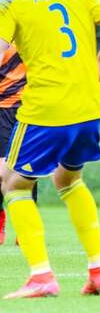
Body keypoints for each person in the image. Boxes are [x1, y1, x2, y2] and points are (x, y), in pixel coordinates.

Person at [0, 0, 100, 298]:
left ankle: (41, 275)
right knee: (69, 181)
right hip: (89, 106)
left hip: (45, 108)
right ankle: (99, 270)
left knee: (13, 184)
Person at [0, 45, 38, 245]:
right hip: (2, 109)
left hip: (29, 108)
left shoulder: (31, 35)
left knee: (29, 169)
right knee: (1, 172)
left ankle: (26, 228)